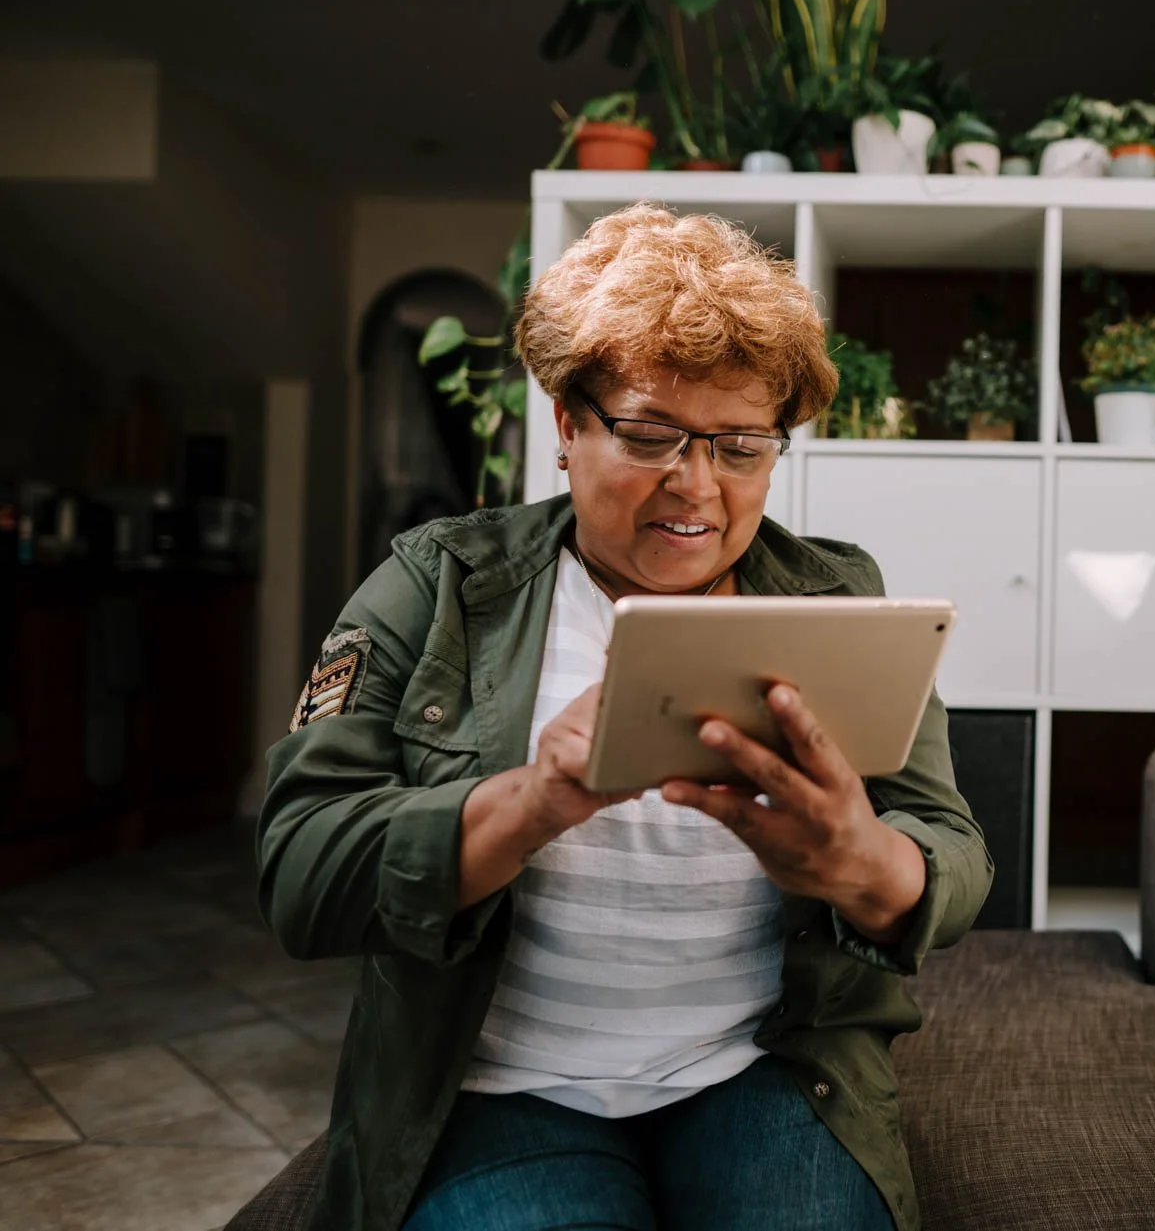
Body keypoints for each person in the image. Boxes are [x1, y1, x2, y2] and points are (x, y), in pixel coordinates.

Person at [257, 201, 992, 1231]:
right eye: (650, 435)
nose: (696, 487)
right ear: (565, 422)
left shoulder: (836, 601)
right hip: (499, 1083)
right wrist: (532, 802)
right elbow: (298, 870)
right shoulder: (438, 588)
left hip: (759, 1065)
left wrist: (860, 863)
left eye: (742, 447)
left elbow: (951, 851)